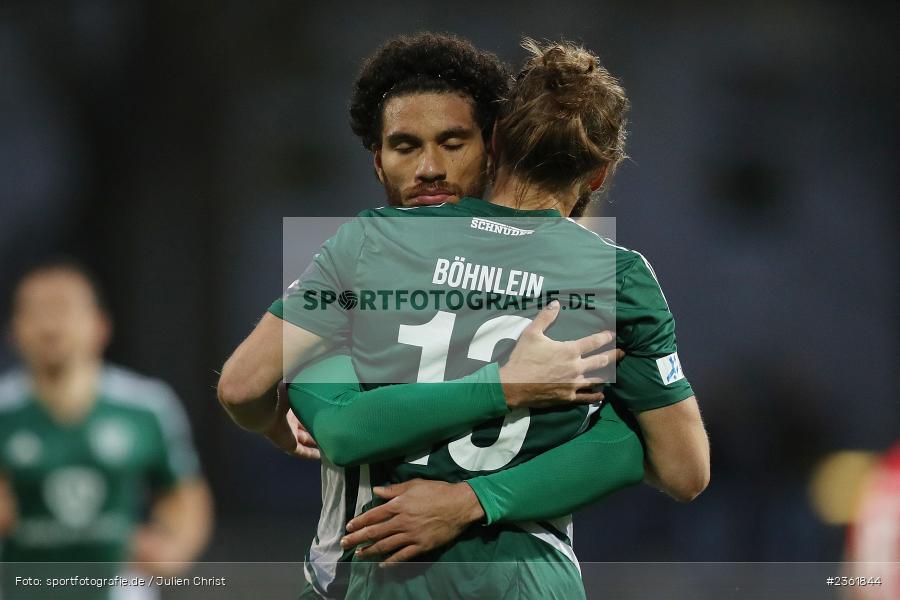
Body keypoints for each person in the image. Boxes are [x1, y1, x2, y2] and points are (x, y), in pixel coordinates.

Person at [218, 34, 709, 599]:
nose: (431, 168)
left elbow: (316, 418)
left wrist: (273, 420)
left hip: (380, 577)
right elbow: (669, 461)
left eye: (453, 143)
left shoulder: (365, 249)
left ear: (493, 143)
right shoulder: (614, 277)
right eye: (407, 147)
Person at [0, 261, 213, 600]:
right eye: (37, 311)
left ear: (100, 326)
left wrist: (171, 548)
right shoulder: (5, 412)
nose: (51, 325)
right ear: (14, 330)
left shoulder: (146, 406)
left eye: (64, 309)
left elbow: (183, 493)